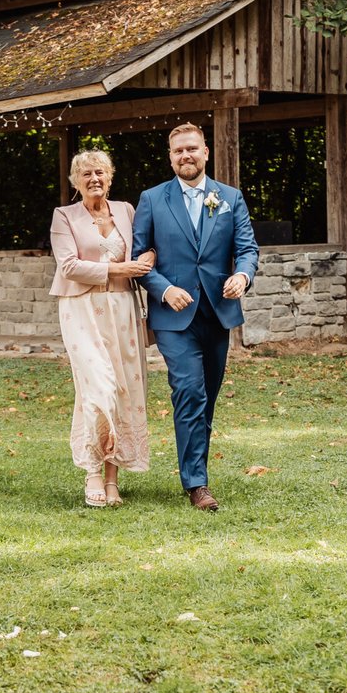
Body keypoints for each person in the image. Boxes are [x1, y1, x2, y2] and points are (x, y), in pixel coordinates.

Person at [132, 123, 259, 511]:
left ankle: (195, 468)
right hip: (174, 318)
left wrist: (242, 276)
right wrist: (164, 289)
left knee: (207, 397)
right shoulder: (153, 199)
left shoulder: (230, 198)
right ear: (170, 157)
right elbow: (139, 259)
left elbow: (247, 249)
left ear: (205, 152)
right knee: (189, 391)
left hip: (217, 313)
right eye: (178, 151)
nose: (185, 156)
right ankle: (197, 484)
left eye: (191, 149)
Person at [50, 149, 154, 507]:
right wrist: (118, 269)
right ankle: (92, 472)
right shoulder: (64, 216)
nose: (94, 179)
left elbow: (145, 248)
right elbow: (68, 266)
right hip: (81, 309)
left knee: (124, 391)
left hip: (122, 309)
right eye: (86, 174)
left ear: (110, 177)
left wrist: (148, 257)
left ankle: (112, 478)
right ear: (76, 181)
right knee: (98, 389)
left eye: (100, 172)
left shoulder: (126, 210)